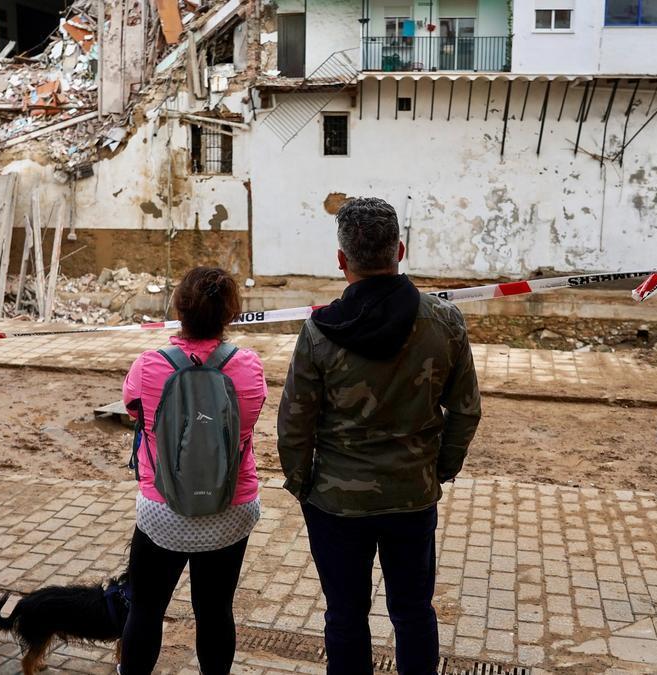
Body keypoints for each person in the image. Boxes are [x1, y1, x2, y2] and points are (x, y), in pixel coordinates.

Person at [277, 197, 482, 675]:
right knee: (413, 613)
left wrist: (301, 483)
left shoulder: (319, 332)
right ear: (400, 250)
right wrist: (439, 470)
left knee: (345, 616)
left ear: (342, 260)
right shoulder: (444, 321)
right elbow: (467, 410)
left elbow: (294, 424)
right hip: (412, 496)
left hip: (335, 504)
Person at [120, 266, 267, 674]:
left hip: (163, 510)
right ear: (231, 313)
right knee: (216, 610)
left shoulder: (148, 366)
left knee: (146, 609)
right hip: (230, 510)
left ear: (178, 309)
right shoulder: (249, 367)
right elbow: (249, 421)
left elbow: (136, 410)